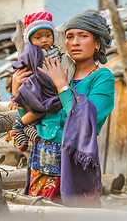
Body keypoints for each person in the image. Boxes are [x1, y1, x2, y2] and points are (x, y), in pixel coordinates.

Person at [11, 12, 115, 207]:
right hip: (40, 163)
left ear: (97, 43)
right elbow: (31, 115)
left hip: (75, 167)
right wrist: (16, 90)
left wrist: (61, 85)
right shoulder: (50, 69)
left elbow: (85, 120)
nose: (74, 42)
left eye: (83, 36)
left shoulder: (102, 78)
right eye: (69, 36)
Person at [10, 11, 62, 151]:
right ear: (30, 39)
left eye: (48, 35)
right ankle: (19, 124)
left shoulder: (56, 51)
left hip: (47, 86)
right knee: (42, 107)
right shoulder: (30, 51)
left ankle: (28, 129)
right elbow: (22, 64)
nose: (44, 40)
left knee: (49, 105)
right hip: (35, 86)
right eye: (38, 37)